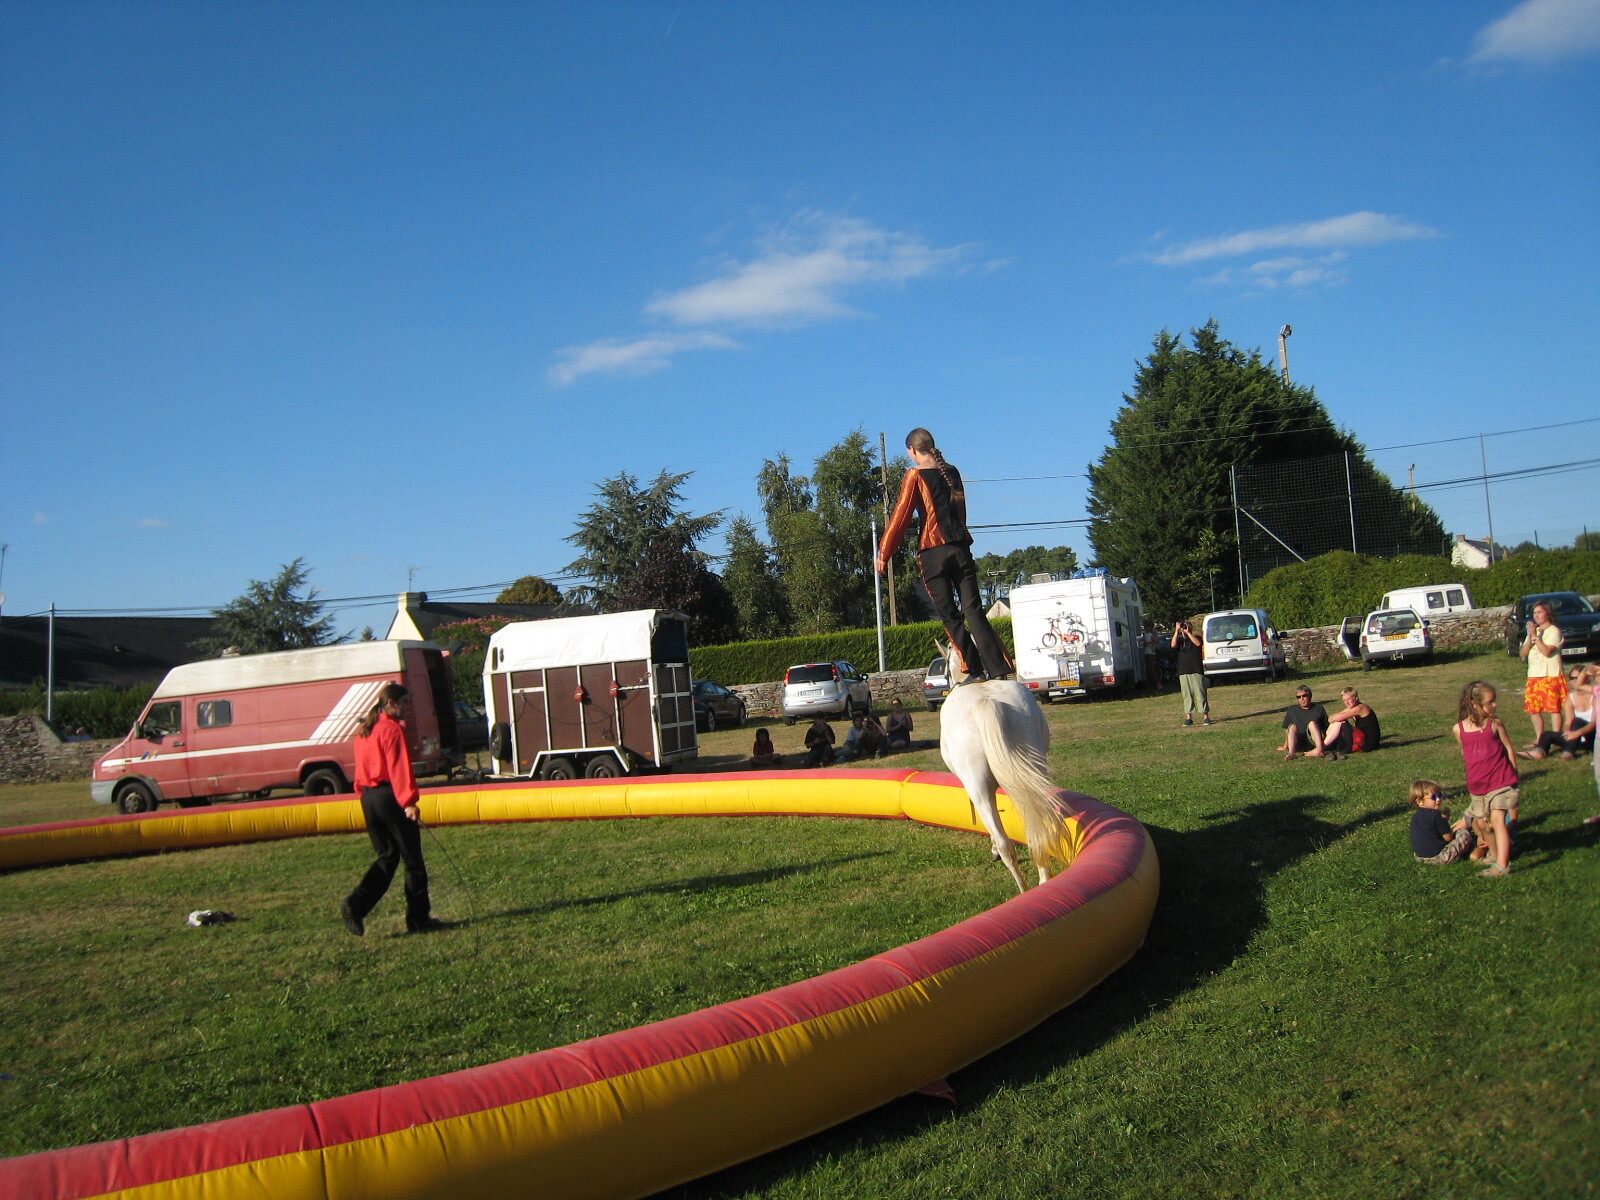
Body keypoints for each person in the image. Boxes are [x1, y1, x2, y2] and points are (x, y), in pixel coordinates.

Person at [876, 428, 1012, 683]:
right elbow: (961, 512)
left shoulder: (914, 475)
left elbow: (900, 517)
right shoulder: (952, 472)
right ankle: (998, 668)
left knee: (950, 615)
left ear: (912, 450)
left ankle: (974, 670)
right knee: (974, 610)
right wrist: (959, 536)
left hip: (932, 552)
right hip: (960, 547)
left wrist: (884, 552)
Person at [340, 683, 444, 936]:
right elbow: (399, 769)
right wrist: (408, 802)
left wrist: (364, 795)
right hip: (390, 797)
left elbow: (360, 769)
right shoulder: (393, 730)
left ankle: (356, 904)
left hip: (369, 797)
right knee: (412, 860)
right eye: (405, 702)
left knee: (387, 857)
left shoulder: (366, 730)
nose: (409, 708)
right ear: (391, 704)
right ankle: (418, 918)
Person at [1452, 680, 1519, 879]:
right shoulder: (1459, 729)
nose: (1495, 705)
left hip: (1501, 781)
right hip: (1478, 785)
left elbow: (1509, 749)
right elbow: (1466, 754)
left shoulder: (1495, 724)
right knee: (1483, 825)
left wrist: (1514, 775)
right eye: (1490, 702)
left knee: (1498, 821)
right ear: (1475, 704)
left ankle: (1502, 866)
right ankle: (1495, 854)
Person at [1519, 664, 1595, 760]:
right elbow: (1568, 722)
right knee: (1546, 734)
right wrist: (1568, 734)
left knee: (1578, 721)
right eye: (1572, 678)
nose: (1574, 681)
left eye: (1577, 678)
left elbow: (1594, 723)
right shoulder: (1571, 698)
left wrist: (1577, 733)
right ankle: (1539, 752)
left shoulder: (1595, 695)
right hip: (1576, 737)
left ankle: (1568, 753)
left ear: (1587, 678)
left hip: (1592, 736)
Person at [1519, 599, 1566, 746]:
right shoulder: (1535, 632)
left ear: (1548, 613)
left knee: (1553, 708)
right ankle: (1540, 739)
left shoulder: (1554, 631)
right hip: (1534, 675)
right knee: (1534, 710)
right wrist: (1530, 638)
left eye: (1540, 612)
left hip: (1550, 674)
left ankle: (1556, 738)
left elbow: (1546, 651)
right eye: (1534, 613)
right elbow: (1523, 654)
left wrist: (1535, 637)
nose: (1536, 615)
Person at [1408, 779, 1474, 865]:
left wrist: (1444, 820)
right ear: (1420, 802)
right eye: (1433, 797)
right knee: (1464, 834)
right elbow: (1448, 838)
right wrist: (1446, 824)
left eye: (1439, 795)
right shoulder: (1436, 815)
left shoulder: (1415, 817)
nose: (1438, 799)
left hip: (1420, 857)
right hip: (1439, 857)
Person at [1171, 619, 1210, 727]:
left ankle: (1205, 716)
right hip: (1183, 670)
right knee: (1187, 695)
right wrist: (1177, 631)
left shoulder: (1196, 638)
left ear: (1191, 628)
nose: (1185, 628)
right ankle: (1189, 718)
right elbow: (1173, 645)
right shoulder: (1180, 640)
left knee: (1200, 694)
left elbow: (1198, 644)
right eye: (1184, 627)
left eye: (1187, 626)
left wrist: (1188, 633)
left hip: (1196, 669)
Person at [1323, 686, 1381, 758]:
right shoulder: (1353, 707)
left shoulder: (1360, 708)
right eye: (1344, 700)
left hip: (1369, 743)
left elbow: (1335, 718)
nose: (1346, 702)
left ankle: (1323, 747)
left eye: (1348, 699)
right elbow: (1330, 719)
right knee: (1338, 721)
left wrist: (1334, 718)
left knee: (1340, 722)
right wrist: (1333, 718)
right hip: (1362, 738)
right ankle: (1326, 746)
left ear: (1356, 698)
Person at [1278, 685, 1328, 760]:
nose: (1302, 699)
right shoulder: (1292, 710)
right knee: (1292, 726)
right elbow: (1287, 730)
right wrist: (1285, 746)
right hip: (1298, 741)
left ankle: (1319, 749)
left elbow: (1325, 728)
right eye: (1299, 697)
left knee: (1312, 723)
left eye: (1304, 696)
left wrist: (1327, 744)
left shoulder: (1319, 708)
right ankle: (1291, 753)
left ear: (1310, 696)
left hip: (1313, 741)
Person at [1142, 622, 1162, 693]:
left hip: (1151, 651)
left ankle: (1158, 684)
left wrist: (1147, 642)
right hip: (1146, 651)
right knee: (1148, 668)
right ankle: (1152, 683)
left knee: (1151, 668)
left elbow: (1156, 641)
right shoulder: (1144, 633)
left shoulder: (1153, 632)